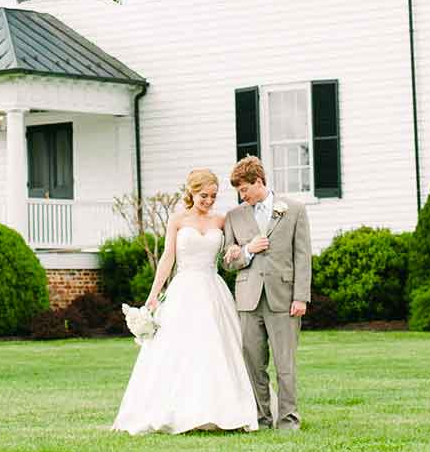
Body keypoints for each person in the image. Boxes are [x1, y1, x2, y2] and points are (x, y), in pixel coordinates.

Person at [111, 168, 259, 435]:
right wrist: (153, 294)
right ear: (192, 192)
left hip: (213, 290)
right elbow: (168, 257)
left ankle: (223, 411)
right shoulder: (177, 219)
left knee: (216, 348)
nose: (209, 201)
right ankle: (178, 410)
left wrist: (234, 251)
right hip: (184, 290)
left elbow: (229, 251)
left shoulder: (221, 220)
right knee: (179, 350)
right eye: (204, 195)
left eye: (213, 196)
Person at [221, 155, 312, 430]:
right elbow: (226, 262)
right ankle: (261, 418)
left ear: (258, 181)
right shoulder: (234, 217)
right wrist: (247, 250)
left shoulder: (294, 209)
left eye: (244, 189)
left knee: (285, 364)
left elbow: (303, 256)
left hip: (284, 299)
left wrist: (300, 297)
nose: (242, 196)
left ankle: (288, 420)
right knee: (253, 364)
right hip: (248, 300)